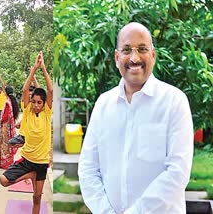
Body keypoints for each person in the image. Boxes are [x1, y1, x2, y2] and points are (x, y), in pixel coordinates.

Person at [78, 22, 193, 214]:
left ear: (153, 55)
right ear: (117, 57)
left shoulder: (174, 101)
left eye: (142, 49)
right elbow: (88, 168)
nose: (134, 58)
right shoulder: (103, 104)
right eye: (126, 50)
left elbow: (178, 172)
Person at [0, 51, 53, 214]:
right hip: (28, 160)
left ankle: (33, 175)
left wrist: (43, 67)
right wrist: (33, 69)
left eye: (39, 103)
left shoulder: (47, 113)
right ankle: (30, 174)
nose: (36, 105)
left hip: (42, 162)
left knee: (37, 198)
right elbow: (24, 90)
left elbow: (50, 90)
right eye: (34, 102)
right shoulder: (28, 110)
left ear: (44, 104)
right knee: (4, 180)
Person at [0, 85, 19, 169]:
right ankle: (4, 162)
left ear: (6, 93)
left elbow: (6, 115)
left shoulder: (7, 102)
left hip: (5, 126)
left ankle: (5, 162)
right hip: (9, 126)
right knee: (6, 143)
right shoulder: (12, 101)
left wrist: (0, 121)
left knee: (4, 144)